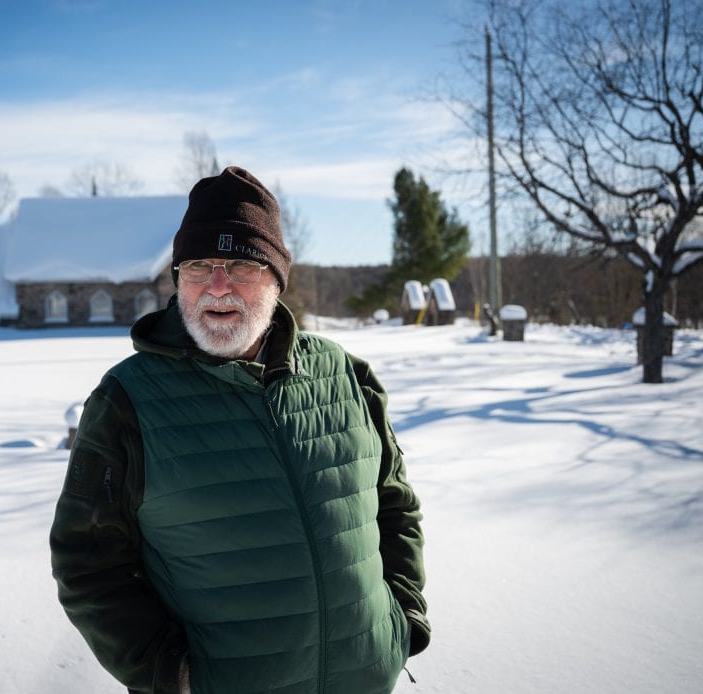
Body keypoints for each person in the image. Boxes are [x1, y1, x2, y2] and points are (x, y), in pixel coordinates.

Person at [50, 166, 429, 694]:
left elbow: (395, 506)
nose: (218, 285)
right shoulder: (126, 401)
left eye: (241, 266)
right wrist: (173, 675)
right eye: (200, 265)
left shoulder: (345, 375)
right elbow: (86, 563)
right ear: (178, 278)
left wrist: (402, 619)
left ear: (276, 281)